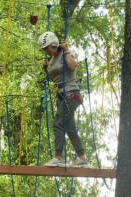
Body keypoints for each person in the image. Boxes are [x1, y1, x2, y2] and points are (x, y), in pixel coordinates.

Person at [37, 31, 89, 168]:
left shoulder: (64, 54)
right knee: (70, 127)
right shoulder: (53, 60)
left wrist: (67, 50)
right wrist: (45, 70)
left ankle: (58, 158)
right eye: (44, 49)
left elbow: (72, 67)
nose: (46, 51)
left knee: (58, 122)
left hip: (70, 94)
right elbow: (54, 79)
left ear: (53, 44)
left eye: (46, 48)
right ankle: (82, 158)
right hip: (62, 97)